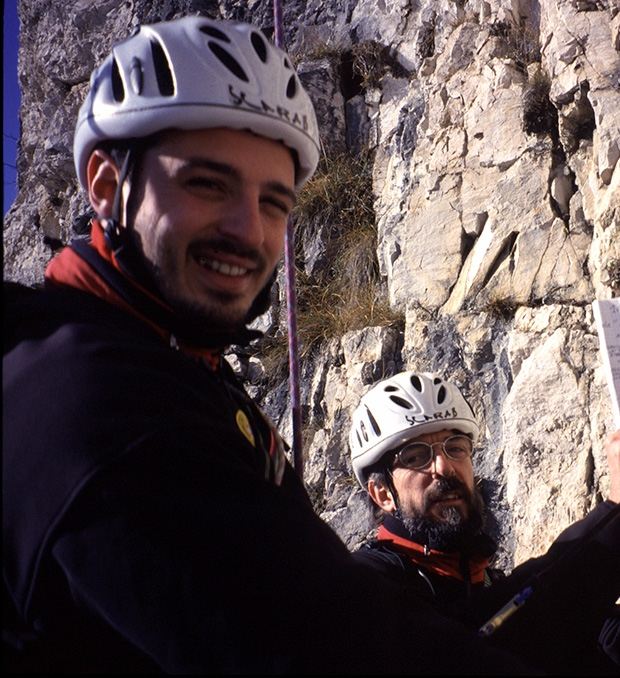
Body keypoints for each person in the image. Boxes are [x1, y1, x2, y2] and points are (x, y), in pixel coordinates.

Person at [3, 16, 538, 674]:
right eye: (207, 183)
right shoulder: (100, 403)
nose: (247, 230)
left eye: (274, 200)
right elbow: (330, 648)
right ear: (109, 187)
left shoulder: (171, 362)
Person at [349, 371, 620, 674]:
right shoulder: (369, 591)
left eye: (456, 447)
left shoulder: (485, 582)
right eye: (417, 456)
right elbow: (478, 647)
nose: (445, 467)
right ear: (382, 494)